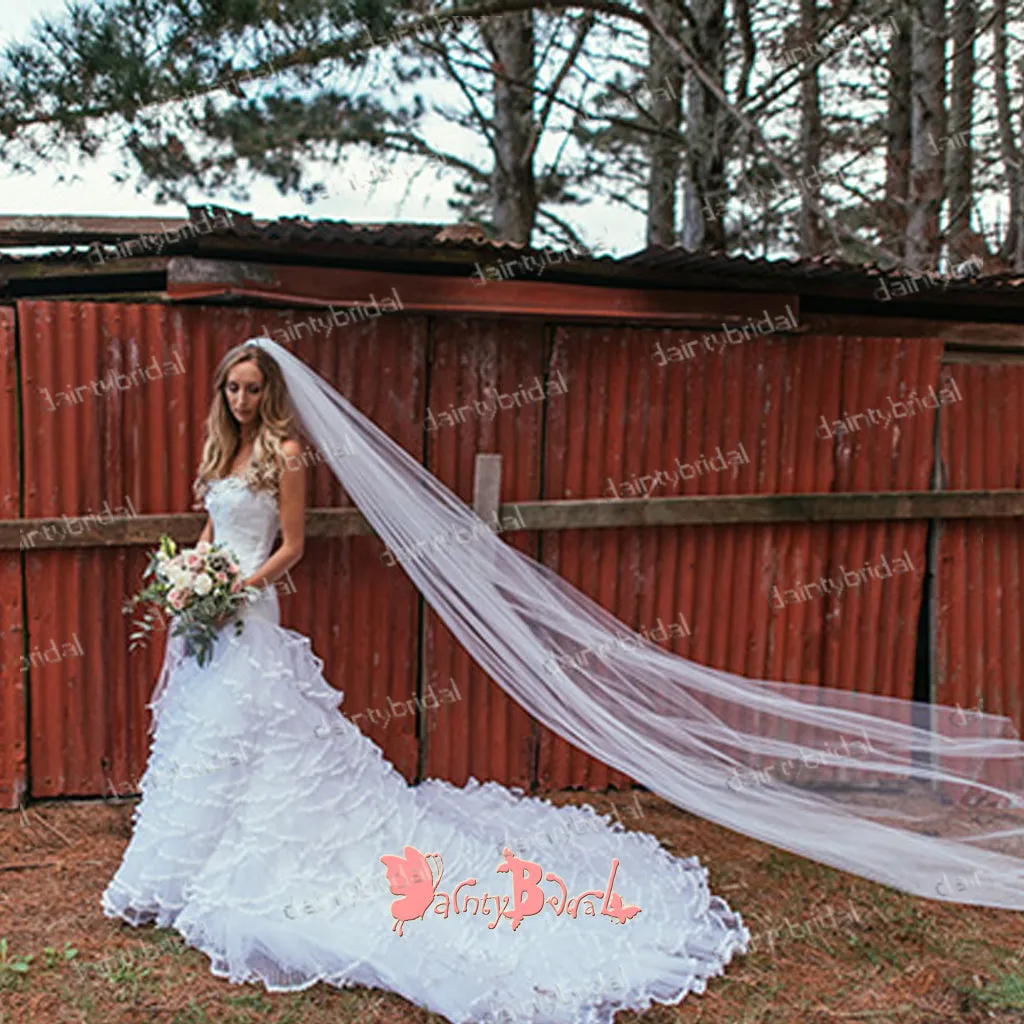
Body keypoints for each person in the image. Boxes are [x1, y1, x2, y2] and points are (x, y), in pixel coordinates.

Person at [102, 341, 750, 1022]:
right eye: (232, 389)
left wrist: (236, 586)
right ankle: (183, 867)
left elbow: (290, 546)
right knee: (203, 736)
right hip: (207, 612)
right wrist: (188, 577)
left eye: (253, 389)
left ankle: (270, 859)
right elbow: (211, 529)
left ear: (272, 393)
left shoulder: (285, 456)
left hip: (250, 609)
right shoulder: (221, 453)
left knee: (263, 730)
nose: (241, 401)